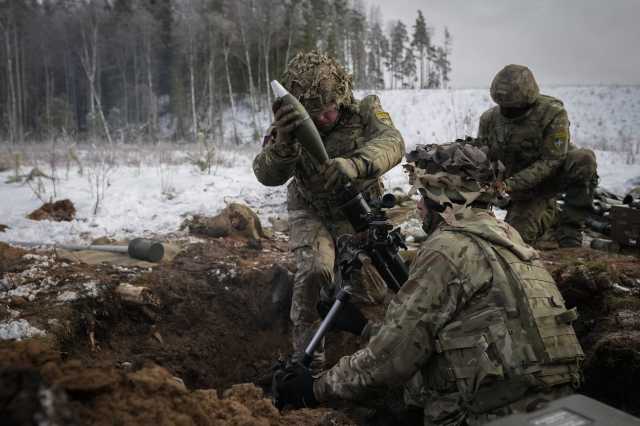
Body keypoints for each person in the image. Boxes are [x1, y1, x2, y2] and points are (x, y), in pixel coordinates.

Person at [274, 144, 584, 425]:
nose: (419, 207)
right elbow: (480, 332)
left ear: (444, 202)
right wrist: (365, 329)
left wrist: (315, 388)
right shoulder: (511, 239)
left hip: (492, 415)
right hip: (558, 408)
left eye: (423, 197)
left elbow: (391, 361)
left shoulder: (446, 250)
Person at [253, 51, 405, 369]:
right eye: (317, 113)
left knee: (377, 292)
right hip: (311, 211)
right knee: (313, 272)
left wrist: (355, 164)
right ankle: (309, 363)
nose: (325, 118)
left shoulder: (365, 110)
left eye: (331, 108)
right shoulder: (288, 127)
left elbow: (393, 143)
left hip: (360, 213)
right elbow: (266, 174)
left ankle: (391, 354)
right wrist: (283, 144)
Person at [475, 64, 598, 247]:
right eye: (503, 106)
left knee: (583, 158)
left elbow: (552, 161)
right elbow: (484, 158)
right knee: (513, 240)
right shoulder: (489, 119)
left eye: (513, 107)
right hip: (519, 191)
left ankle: (570, 227)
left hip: (547, 182)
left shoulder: (552, 113)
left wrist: (509, 184)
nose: (507, 112)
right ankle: (547, 218)